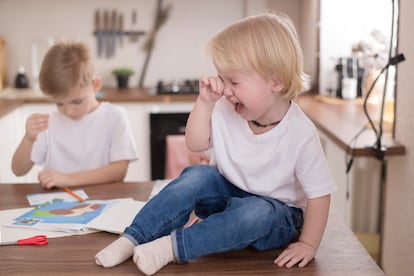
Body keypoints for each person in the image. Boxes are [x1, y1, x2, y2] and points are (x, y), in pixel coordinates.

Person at [95, 12, 336, 275]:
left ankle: (171, 248)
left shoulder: (301, 134)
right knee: (197, 175)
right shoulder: (224, 107)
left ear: (275, 81)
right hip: (227, 194)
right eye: (223, 79)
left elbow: (320, 195)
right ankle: (134, 238)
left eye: (234, 81)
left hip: (278, 215)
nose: (226, 90)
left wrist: (308, 244)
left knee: (256, 212)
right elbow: (195, 143)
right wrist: (205, 103)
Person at [11, 40, 138, 189]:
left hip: (104, 200)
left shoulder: (114, 117)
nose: (68, 111)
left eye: (76, 102)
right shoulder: (48, 123)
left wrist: (67, 179)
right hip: (58, 206)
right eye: (59, 104)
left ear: (95, 85)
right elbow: (18, 170)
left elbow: (119, 171)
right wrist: (28, 139)